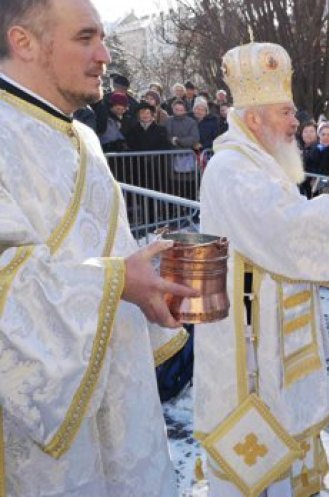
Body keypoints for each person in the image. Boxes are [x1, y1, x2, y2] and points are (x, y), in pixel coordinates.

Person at [0, 0, 199, 494]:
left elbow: (109, 247)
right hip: (39, 435)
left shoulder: (85, 137)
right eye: (85, 38)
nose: (105, 55)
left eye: (103, 38)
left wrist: (147, 290)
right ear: (23, 41)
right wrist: (115, 282)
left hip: (118, 397)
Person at [195, 42, 329, 497]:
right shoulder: (230, 167)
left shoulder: (261, 163)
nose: (295, 123)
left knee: (282, 430)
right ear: (254, 119)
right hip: (250, 331)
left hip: (273, 322)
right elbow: (284, 228)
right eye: (286, 113)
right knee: (257, 451)